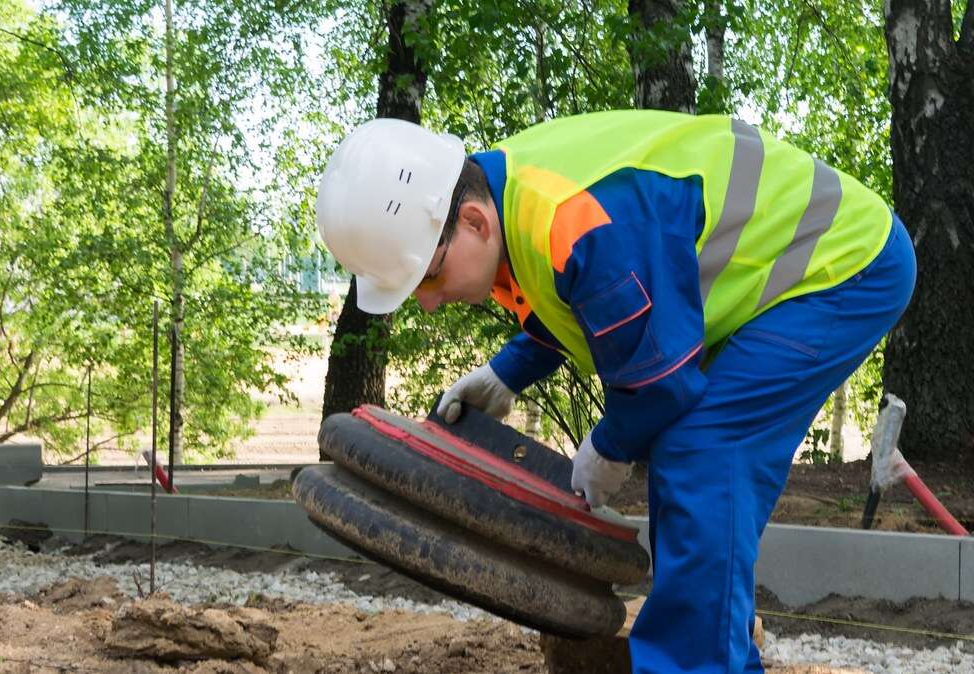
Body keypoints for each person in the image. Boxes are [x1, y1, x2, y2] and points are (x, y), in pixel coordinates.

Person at [315, 110, 915, 674]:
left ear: (473, 221)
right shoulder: (512, 197)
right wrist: (508, 373)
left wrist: (609, 447)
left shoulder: (574, 217)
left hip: (843, 267)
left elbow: (662, 381)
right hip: (795, 274)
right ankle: (715, 647)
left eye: (429, 274)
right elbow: (586, 299)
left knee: (702, 450)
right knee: (694, 452)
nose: (427, 298)